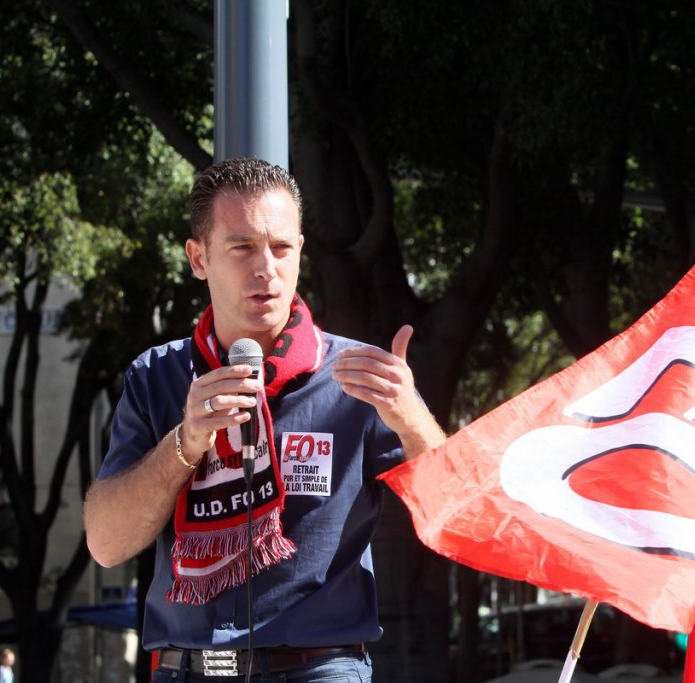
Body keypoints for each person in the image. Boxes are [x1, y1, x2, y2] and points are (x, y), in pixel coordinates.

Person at [83, 157, 446, 682]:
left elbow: (453, 512)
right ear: (198, 257)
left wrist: (412, 419)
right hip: (186, 668)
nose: (266, 269)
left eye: (280, 248)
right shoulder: (156, 377)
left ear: (300, 250)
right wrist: (186, 443)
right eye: (242, 248)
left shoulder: (359, 376)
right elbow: (106, 543)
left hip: (318, 668)